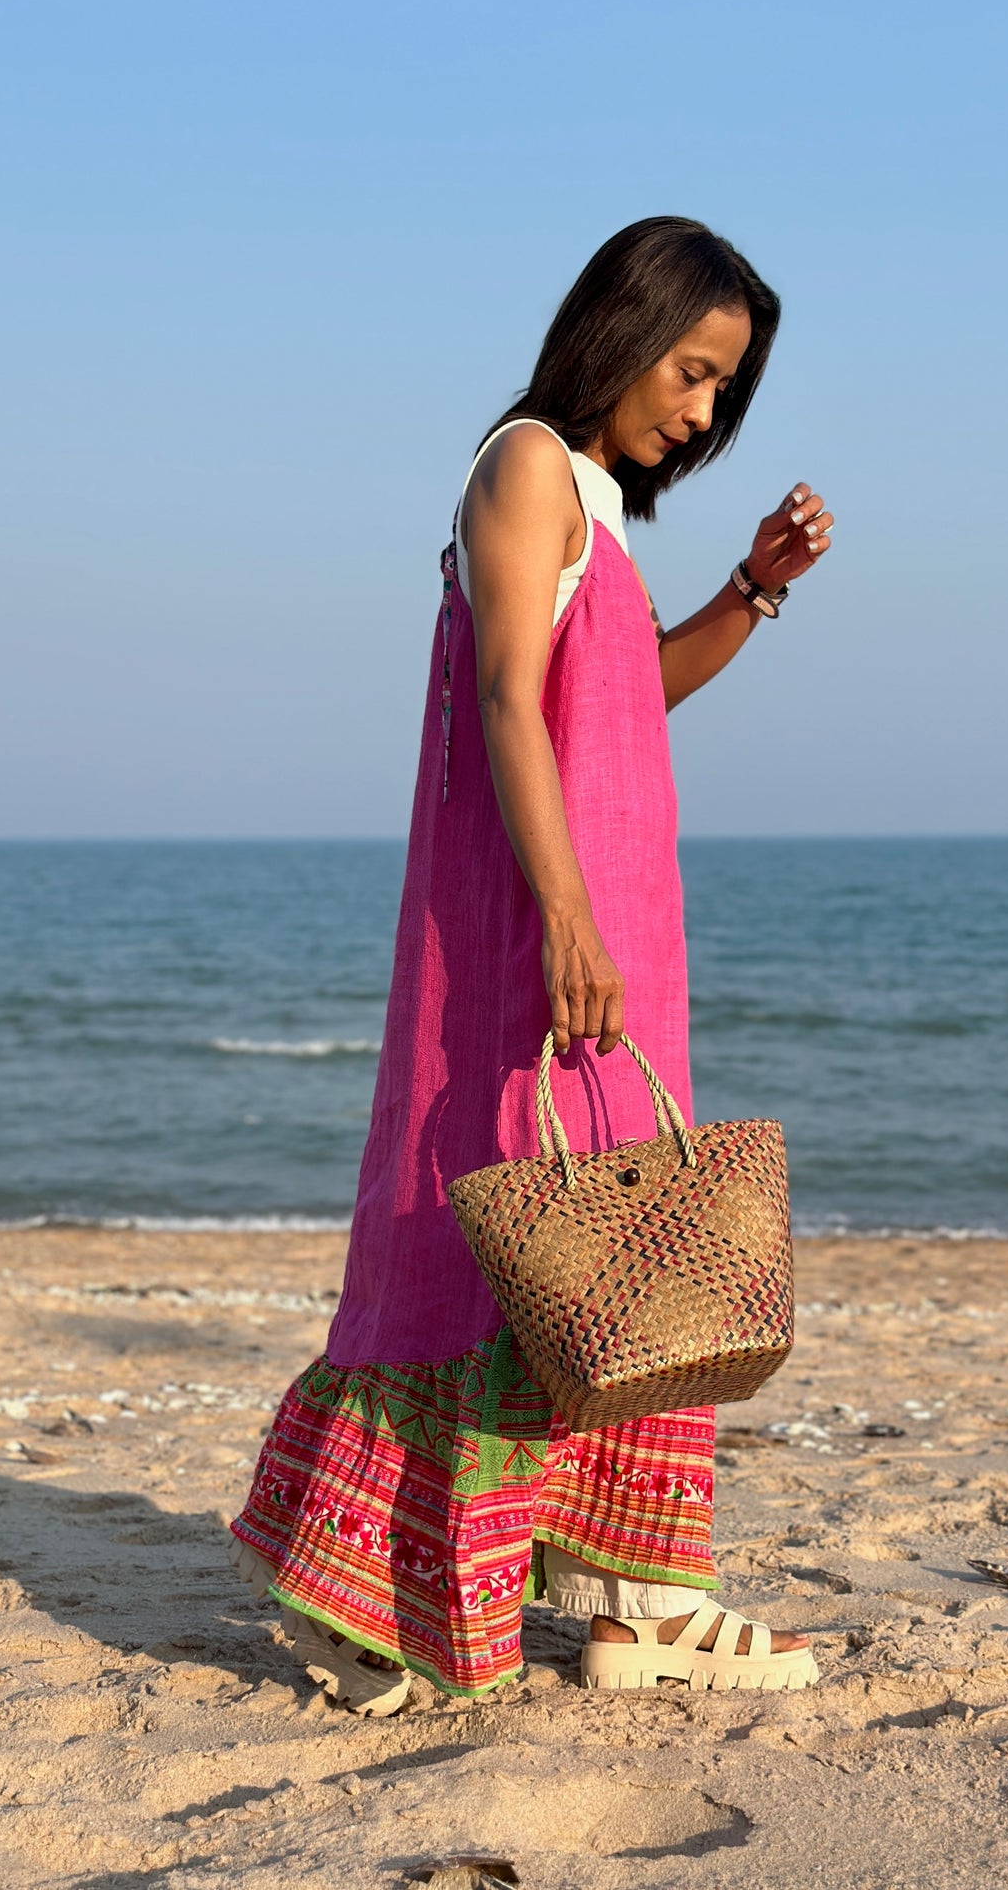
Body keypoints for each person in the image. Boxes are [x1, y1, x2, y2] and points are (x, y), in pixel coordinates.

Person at [229, 216, 832, 1715]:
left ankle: (639, 1603)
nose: (698, 411)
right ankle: (389, 1601)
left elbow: (629, 699)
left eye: (721, 391)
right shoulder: (523, 466)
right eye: (690, 372)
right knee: (490, 1232)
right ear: (618, 332)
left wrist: (752, 592)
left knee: (620, 1260)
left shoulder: (601, 515)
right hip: (528, 933)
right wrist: (563, 916)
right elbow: (508, 698)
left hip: (615, 925)